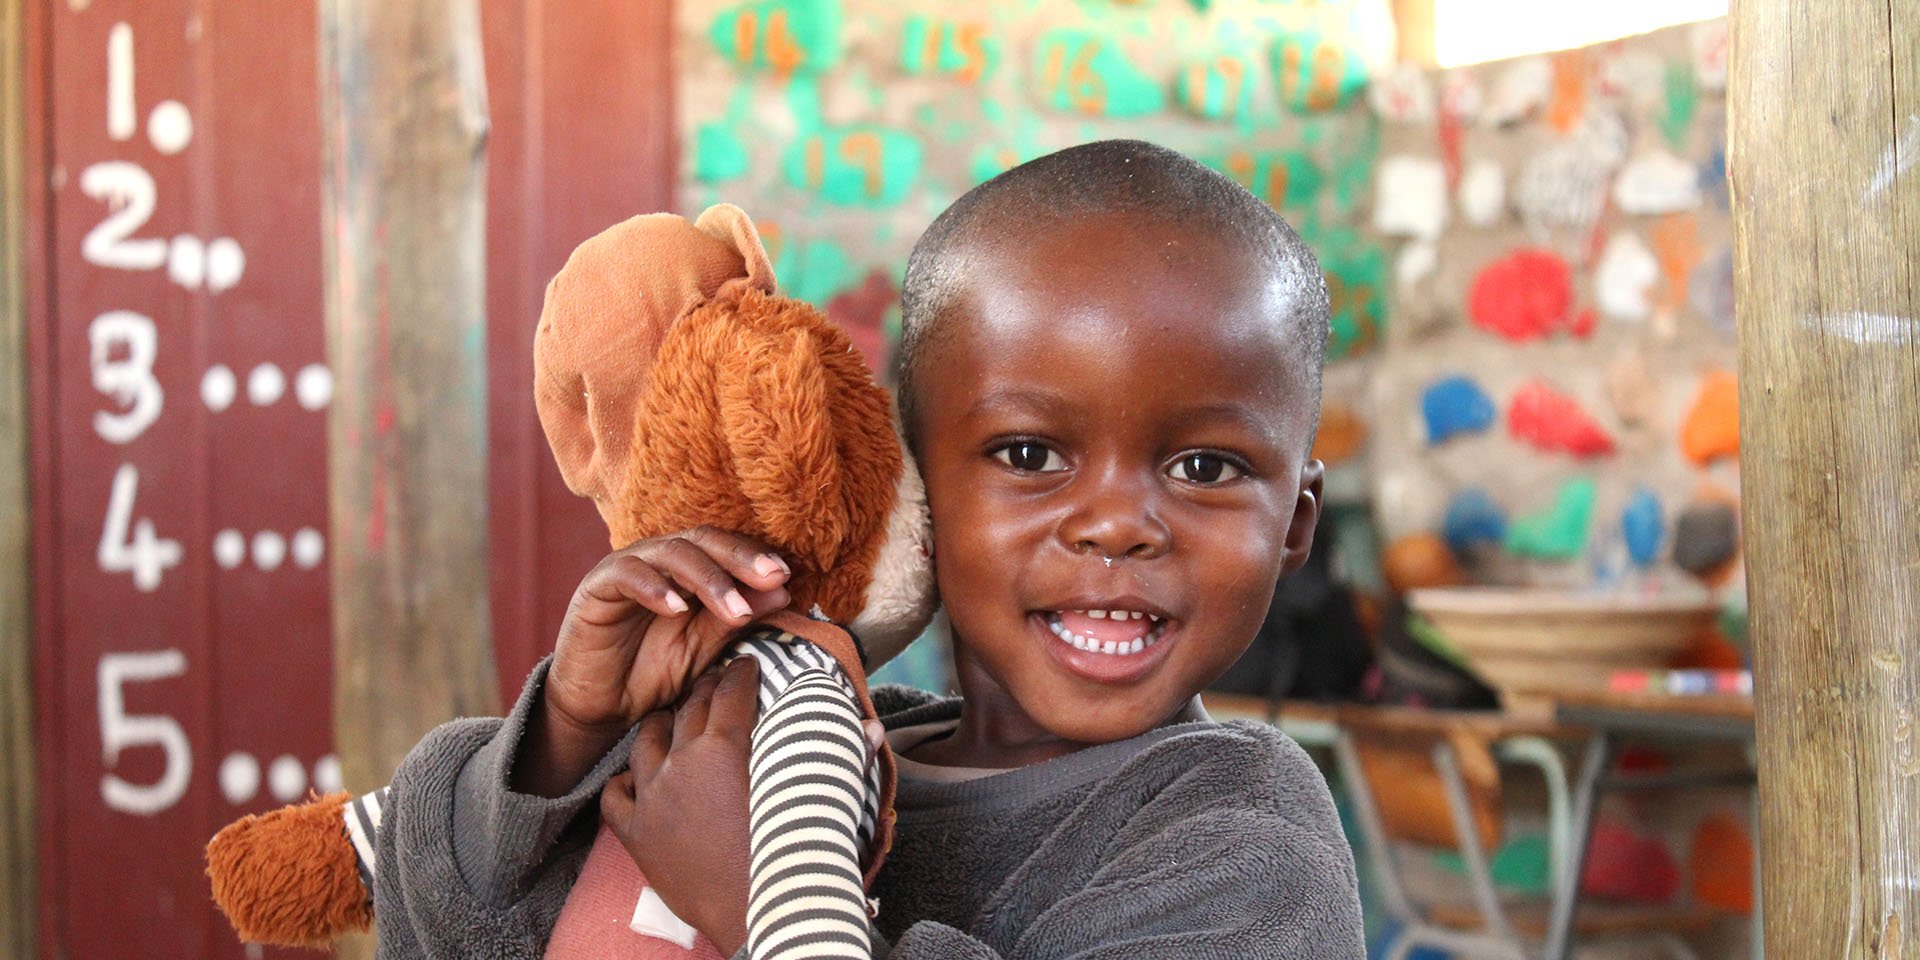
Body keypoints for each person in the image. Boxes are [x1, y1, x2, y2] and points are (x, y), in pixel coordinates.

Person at [373, 139, 1365, 959]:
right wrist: (573, 741)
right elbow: (445, 937)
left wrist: (761, 902)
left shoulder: (1245, 841)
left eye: (1204, 468)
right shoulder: (810, 747)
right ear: (914, 485)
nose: (1117, 524)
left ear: (1297, 526)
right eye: (1029, 453)